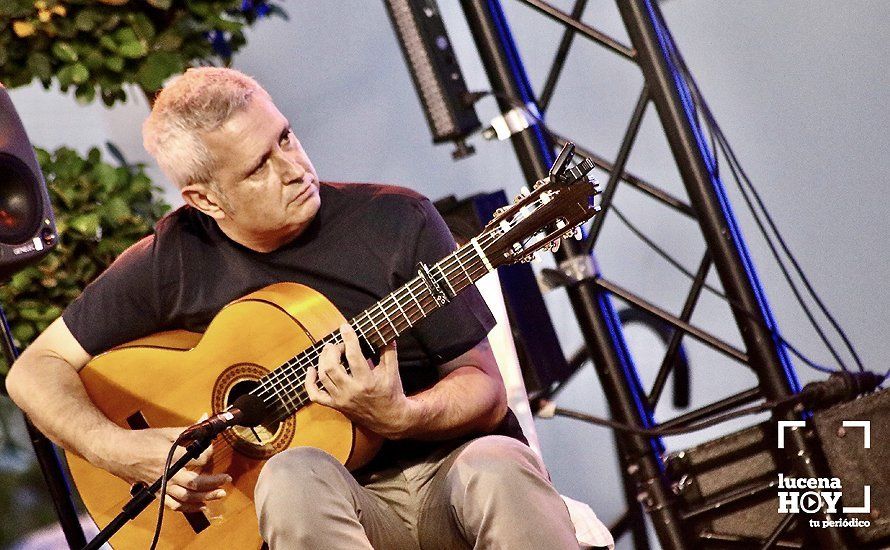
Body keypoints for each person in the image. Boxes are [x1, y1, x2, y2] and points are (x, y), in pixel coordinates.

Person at [5, 67, 579, 549]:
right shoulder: (173, 259)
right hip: (335, 510)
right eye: (258, 166)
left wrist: (400, 415)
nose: (294, 167)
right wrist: (122, 449)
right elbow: (33, 371)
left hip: (450, 479)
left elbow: (483, 388)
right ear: (206, 199)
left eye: (285, 137)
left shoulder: (397, 221)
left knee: (498, 465)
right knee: (291, 472)